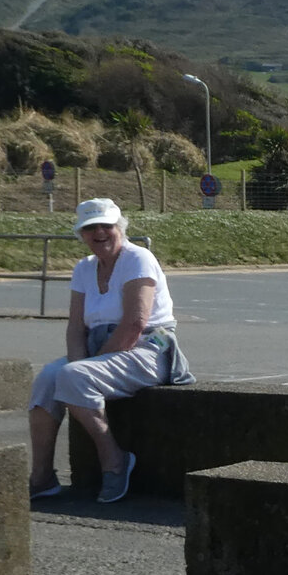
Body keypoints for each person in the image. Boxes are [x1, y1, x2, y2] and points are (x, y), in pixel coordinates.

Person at [28, 198, 192, 503]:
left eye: (107, 225)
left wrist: (84, 368)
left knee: (73, 376)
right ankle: (42, 476)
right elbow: (76, 327)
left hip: (145, 349)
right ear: (82, 234)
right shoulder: (83, 269)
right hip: (99, 348)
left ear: (121, 227)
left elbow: (134, 323)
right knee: (47, 380)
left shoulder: (138, 258)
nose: (99, 232)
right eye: (91, 227)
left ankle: (115, 460)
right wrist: (79, 364)